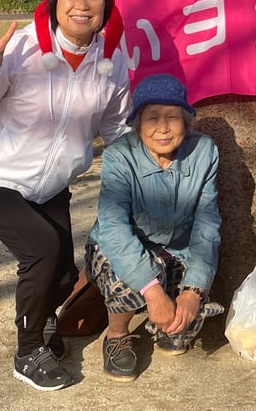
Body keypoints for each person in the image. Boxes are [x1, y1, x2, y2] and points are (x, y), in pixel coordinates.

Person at [0, 0, 131, 392]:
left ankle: (51, 326)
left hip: (51, 185)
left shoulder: (111, 61)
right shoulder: (22, 48)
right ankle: (28, 351)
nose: (83, 4)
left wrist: (145, 166)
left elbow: (115, 126)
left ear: (106, 8)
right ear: (53, 0)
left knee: (64, 276)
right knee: (43, 250)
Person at [85, 73, 221, 382]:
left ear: (186, 122)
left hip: (177, 246)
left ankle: (169, 325)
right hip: (118, 245)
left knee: (195, 277)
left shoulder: (204, 152)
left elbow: (207, 223)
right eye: (152, 118)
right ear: (137, 123)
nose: (162, 128)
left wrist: (193, 292)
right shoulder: (120, 156)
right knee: (128, 273)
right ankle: (117, 334)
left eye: (172, 117)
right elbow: (113, 228)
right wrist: (152, 290)